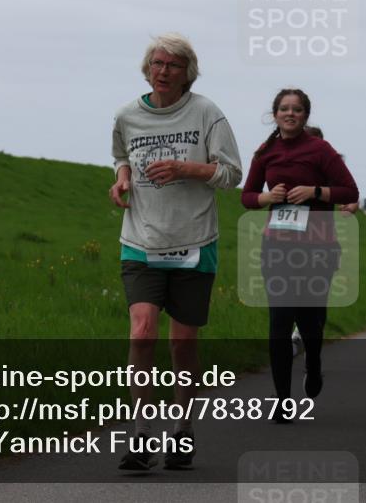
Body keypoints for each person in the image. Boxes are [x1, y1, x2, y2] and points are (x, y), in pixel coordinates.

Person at [110, 33, 242, 469]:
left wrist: (188, 167)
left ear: (187, 73)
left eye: (173, 66)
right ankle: (141, 435)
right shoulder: (128, 115)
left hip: (194, 242)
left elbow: (232, 174)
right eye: (157, 63)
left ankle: (182, 431)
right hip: (140, 240)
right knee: (142, 331)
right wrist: (122, 179)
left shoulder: (206, 113)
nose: (163, 71)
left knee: (183, 344)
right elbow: (120, 156)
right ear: (147, 68)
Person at [241, 89, 359, 417]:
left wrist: (316, 191)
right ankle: (282, 401)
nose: (289, 114)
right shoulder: (265, 152)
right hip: (276, 247)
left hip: (318, 247)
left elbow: (350, 190)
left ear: (305, 115)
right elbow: (247, 196)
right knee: (279, 319)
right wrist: (267, 199)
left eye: (296, 109)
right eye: (283, 109)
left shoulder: (320, 150)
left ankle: (314, 362)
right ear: (275, 114)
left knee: (309, 321)